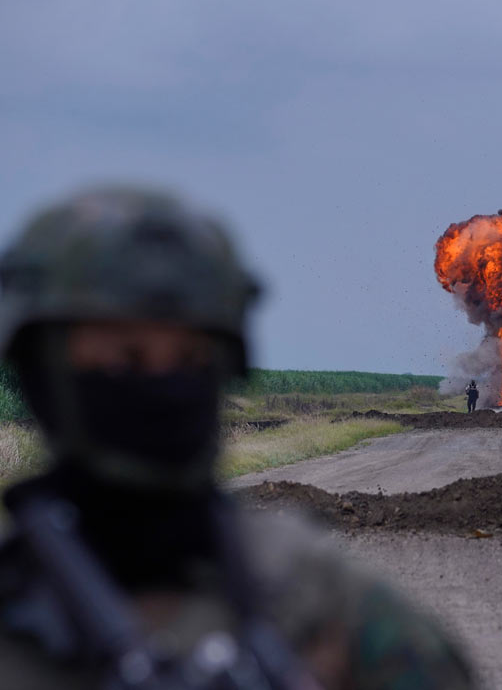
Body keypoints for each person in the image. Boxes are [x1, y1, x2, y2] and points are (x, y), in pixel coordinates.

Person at [0, 187, 473, 689]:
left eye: (192, 360)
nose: (163, 387)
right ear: (42, 373)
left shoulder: (318, 600)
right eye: (125, 359)